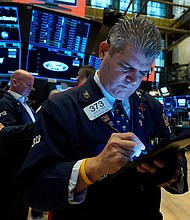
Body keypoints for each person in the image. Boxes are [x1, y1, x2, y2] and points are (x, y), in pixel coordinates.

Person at [16, 16, 188, 220]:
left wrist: (170, 173)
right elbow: (34, 192)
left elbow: (179, 176)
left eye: (142, 73)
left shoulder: (150, 106)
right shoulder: (60, 108)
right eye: (126, 67)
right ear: (104, 51)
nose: (133, 81)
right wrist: (92, 168)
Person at [0, 69, 44, 220]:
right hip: (12, 166)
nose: (31, 89)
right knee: (10, 205)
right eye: (28, 85)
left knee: (22, 204)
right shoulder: (6, 103)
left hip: (26, 163)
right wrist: (38, 127)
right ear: (14, 83)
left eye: (32, 86)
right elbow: (5, 133)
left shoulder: (26, 104)